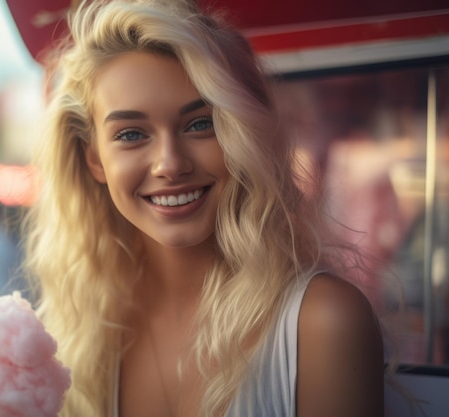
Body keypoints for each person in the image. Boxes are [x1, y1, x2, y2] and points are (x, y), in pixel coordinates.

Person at [21, 1, 385, 416]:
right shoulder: (73, 335)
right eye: (132, 134)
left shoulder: (323, 323)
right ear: (94, 159)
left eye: (200, 124)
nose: (170, 164)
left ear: (243, 135)